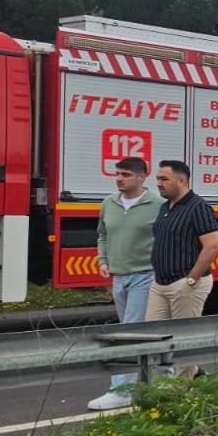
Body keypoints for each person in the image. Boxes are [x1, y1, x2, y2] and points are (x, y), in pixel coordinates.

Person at [86, 157, 162, 411]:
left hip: (145, 275)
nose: (119, 178)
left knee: (127, 332)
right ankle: (159, 382)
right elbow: (103, 235)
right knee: (138, 331)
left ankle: (121, 391)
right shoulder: (109, 203)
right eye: (117, 173)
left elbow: (167, 239)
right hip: (119, 277)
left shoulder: (158, 205)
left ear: (142, 177)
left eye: (126, 174)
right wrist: (103, 259)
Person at [146, 160, 218, 320]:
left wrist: (192, 280)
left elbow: (212, 246)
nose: (159, 184)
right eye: (158, 179)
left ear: (182, 181)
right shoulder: (165, 207)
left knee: (182, 338)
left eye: (164, 179)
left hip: (185, 284)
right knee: (151, 334)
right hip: (159, 285)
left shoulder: (198, 207)